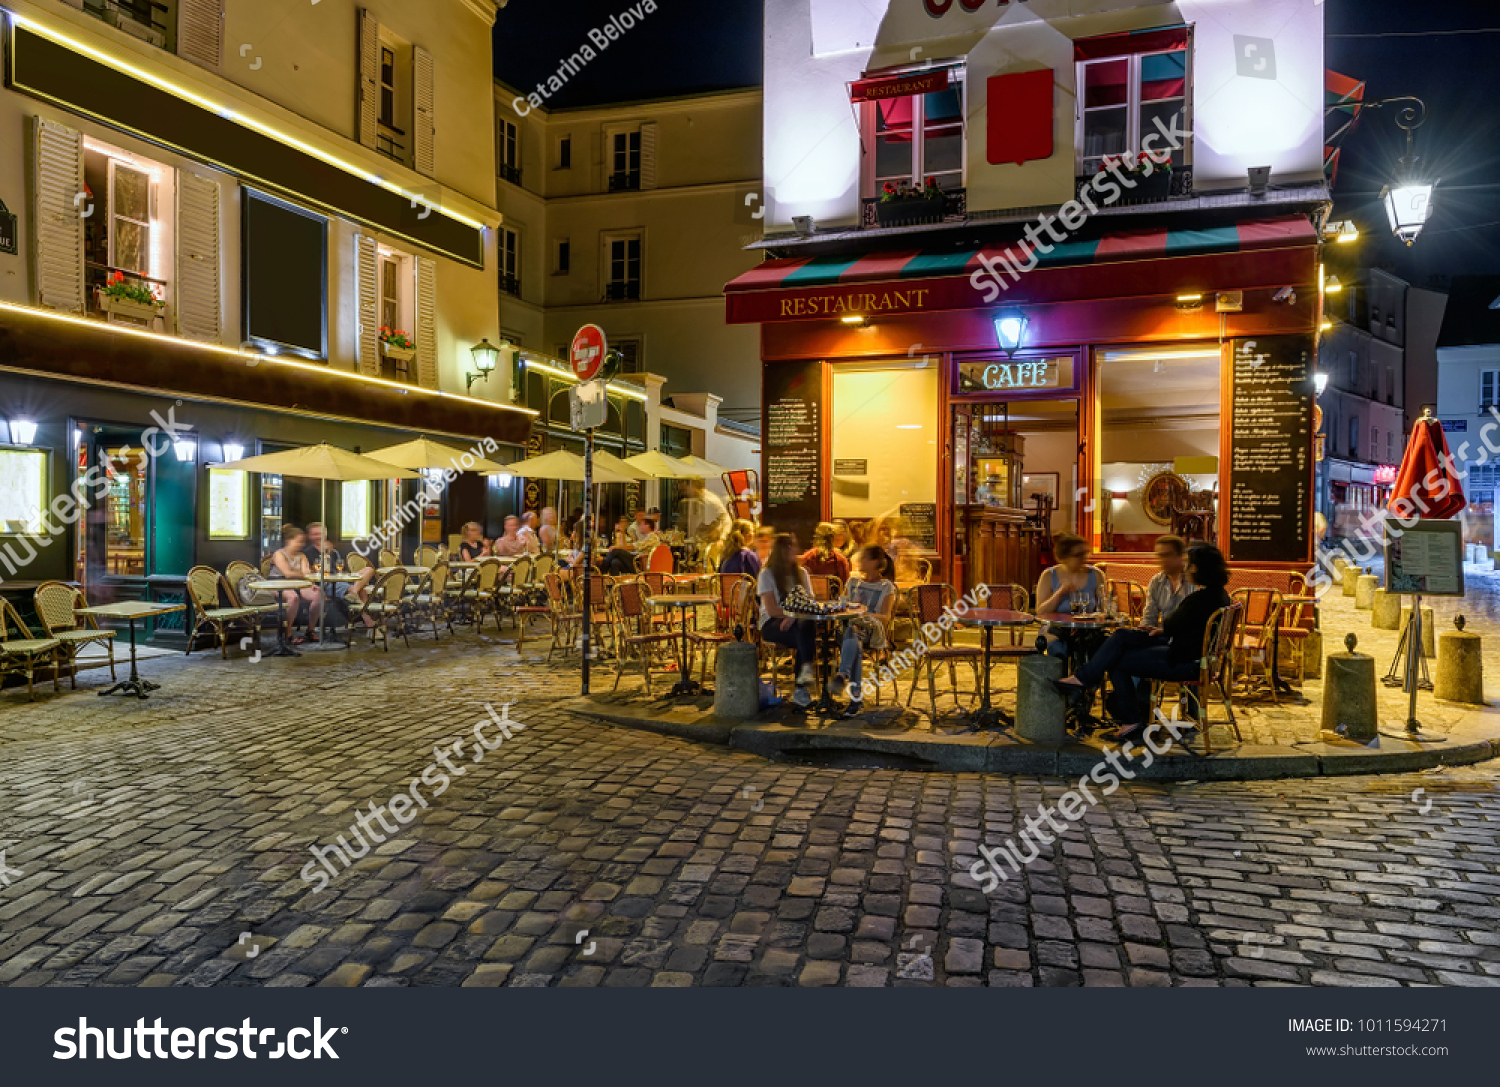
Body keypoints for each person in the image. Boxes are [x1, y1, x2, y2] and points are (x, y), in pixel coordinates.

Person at [1056, 544, 1233, 742]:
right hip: (1192, 655)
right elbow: (1182, 626)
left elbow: (1173, 622)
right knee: (1122, 636)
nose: (1185, 568)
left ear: (1198, 568)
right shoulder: (1219, 595)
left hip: (1184, 662)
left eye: (1189, 564)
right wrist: (1161, 630)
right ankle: (1086, 681)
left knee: (1116, 659)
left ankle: (1128, 718)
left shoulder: (1200, 599)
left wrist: (1165, 628)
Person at [828, 545, 896, 718]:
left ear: (874, 562)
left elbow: (885, 618)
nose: (859, 560)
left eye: (864, 557)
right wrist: (843, 607)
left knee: (855, 635)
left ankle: (843, 678)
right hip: (845, 628)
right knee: (853, 633)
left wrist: (863, 614)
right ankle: (853, 696)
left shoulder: (886, 587)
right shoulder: (852, 582)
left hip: (871, 632)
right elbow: (842, 606)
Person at [757, 533, 817, 708]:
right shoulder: (767, 574)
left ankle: (801, 688)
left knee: (806, 628)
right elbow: (772, 610)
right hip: (771, 623)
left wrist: (795, 616)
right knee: (805, 635)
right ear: (781, 550)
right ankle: (801, 687)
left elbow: (810, 603)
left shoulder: (802, 573)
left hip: (797, 621)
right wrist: (793, 615)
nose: (795, 549)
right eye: (790, 546)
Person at [1035, 533, 1104, 658]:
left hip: (1088, 629)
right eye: (1078, 555)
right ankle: (1059, 676)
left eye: (1085, 553)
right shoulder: (1049, 575)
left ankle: (1087, 676)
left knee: (1100, 647)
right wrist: (1060, 592)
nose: (1084, 558)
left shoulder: (1096, 574)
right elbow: (1040, 611)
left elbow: (1103, 609)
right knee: (1057, 648)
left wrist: (1086, 623)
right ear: (1065, 557)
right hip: (1056, 629)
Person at [306, 522, 375, 628]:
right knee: (363, 591)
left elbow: (339, 567)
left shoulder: (333, 550)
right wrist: (325, 554)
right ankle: (369, 624)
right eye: (315, 534)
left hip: (339, 578)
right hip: (325, 582)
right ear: (309, 536)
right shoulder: (308, 552)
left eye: (321, 533)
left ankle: (353, 591)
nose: (319, 536)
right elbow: (311, 572)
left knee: (369, 569)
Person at [268, 524, 323, 643]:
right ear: (289, 540)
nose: (301, 544)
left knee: (319, 593)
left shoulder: (301, 555)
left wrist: (310, 583)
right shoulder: (279, 554)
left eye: (302, 542)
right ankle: (288, 634)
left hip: (297, 583)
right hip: (278, 583)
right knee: (293, 598)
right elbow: (287, 574)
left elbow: (306, 574)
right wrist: (303, 575)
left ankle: (310, 630)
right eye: (298, 541)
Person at [1142, 534, 1193, 630]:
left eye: (1166, 555)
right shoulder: (1157, 581)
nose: (1162, 560)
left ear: (1181, 556)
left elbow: (1194, 620)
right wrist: (1144, 630)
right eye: (1159, 556)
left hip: (1183, 639)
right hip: (1161, 635)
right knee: (1121, 635)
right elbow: (1149, 616)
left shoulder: (1193, 580)